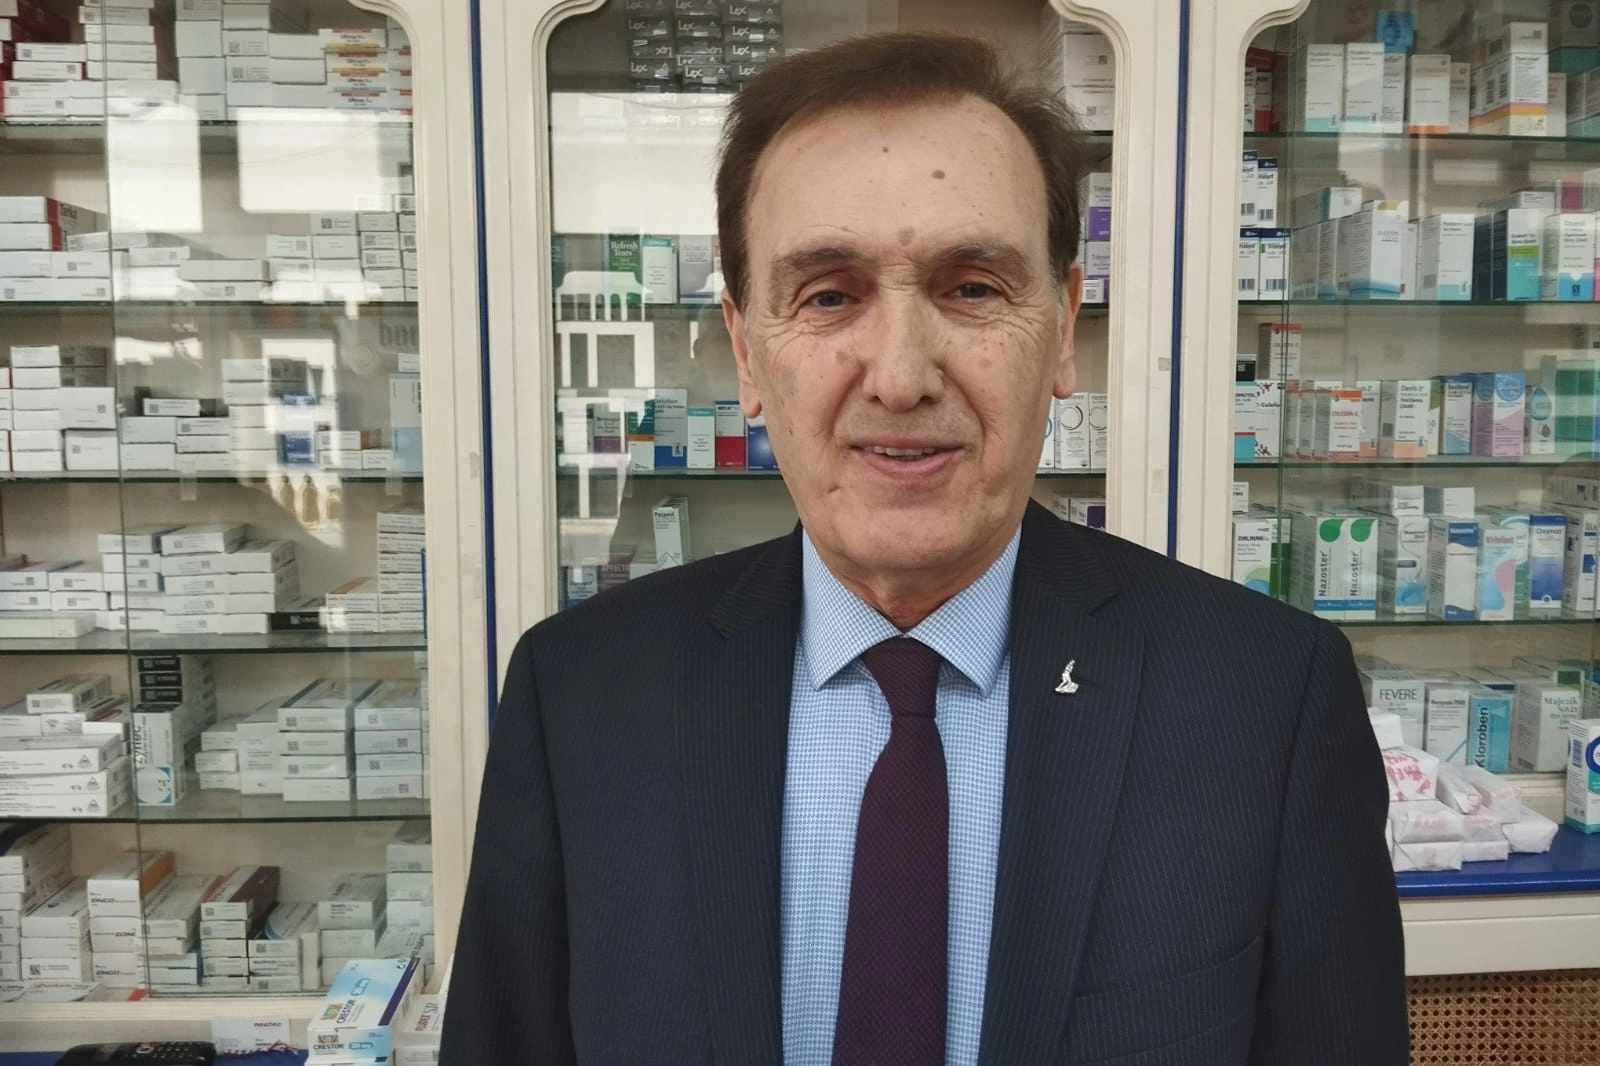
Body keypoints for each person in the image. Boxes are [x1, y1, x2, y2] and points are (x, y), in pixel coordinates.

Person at [440, 32, 1409, 1066]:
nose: (901, 377)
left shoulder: (1265, 700)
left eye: (972, 288)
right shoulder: (578, 696)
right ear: (746, 349)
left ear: (1063, 327)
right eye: (828, 295)